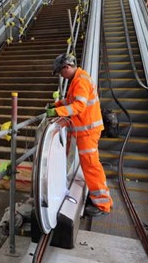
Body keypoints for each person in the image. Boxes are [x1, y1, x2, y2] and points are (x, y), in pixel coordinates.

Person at [45, 53, 112, 217]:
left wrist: (56, 111)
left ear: (66, 67)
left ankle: (103, 204)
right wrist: (57, 104)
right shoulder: (78, 79)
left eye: (61, 73)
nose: (62, 76)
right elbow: (71, 101)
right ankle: (98, 198)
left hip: (88, 131)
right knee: (89, 165)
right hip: (85, 130)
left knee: (91, 166)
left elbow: (79, 106)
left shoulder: (81, 80)